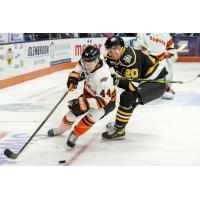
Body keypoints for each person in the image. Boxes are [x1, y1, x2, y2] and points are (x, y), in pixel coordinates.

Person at [47, 46, 116, 149]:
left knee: (89, 118)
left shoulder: (103, 77)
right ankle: (60, 129)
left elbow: (103, 101)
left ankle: (75, 134)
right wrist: (73, 79)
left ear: (97, 60)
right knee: (72, 113)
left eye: (89, 62)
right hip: (89, 93)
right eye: (85, 61)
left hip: (106, 102)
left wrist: (83, 102)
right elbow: (79, 66)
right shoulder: (87, 61)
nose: (86, 64)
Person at [102, 36, 169, 140]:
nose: (109, 54)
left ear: (119, 49)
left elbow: (132, 86)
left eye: (110, 51)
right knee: (130, 100)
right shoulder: (115, 55)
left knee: (128, 97)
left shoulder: (130, 59)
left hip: (157, 82)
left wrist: (115, 80)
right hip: (145, 80)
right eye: (108, 50)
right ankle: (119, 125)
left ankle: (119, 130)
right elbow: (104, 64)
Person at [134, 33, 178, 99]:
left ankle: (167, 88)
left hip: (161, 58)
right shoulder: (142, 33)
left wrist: (171, 54)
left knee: (168, 66)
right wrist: (145, 52)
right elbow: (137, 46)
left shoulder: (166, 34)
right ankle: (139, 87)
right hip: (146, 58)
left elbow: (171, 48)